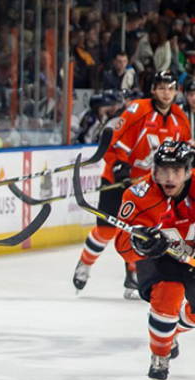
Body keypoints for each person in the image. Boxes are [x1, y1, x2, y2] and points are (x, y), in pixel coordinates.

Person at [73, 70, 192, 298]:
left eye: (170, 88)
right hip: (120, 179)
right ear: (153, 90)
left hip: (152, 186)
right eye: (161, 88)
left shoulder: (180, 118)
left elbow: (184, 153)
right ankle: (85, 264)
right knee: (107, 230)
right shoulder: (139, 110)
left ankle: (134, 275)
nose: (166, 93)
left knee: (146, 231)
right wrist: (120, 168)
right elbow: (116, 142)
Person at [112, 140, 195, 380]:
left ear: (189, 170)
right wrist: (142, 243)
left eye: (176, 170)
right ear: (153, 170)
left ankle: (171, 334)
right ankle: (160, 354)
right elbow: (123, 246)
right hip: (159, 259)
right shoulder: (137, 196)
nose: (169, 177)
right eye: (163, 170)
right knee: (167, 295)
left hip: (191, 255)